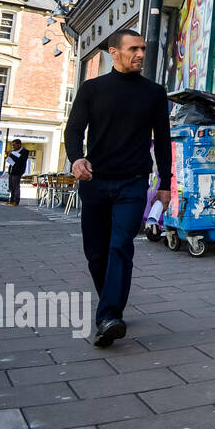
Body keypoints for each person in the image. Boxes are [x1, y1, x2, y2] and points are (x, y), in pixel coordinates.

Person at [64, 29, 172, 347]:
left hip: (133, 183)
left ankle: (108, 315)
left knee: (120, 245)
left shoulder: (154, 93)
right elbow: (73, 132)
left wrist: (165, 185)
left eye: (142, 49)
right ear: (115, 52)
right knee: (96, 254)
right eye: (133, 49)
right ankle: (112, 308)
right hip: (95, 182)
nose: (140, 54)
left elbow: (164, 143)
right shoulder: (92, 89)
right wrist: (76, 159)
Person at [6, 140, 29, 206]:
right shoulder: (14, 151)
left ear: (19, 145)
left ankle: (16, 201)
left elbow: (21, 160)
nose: (13, 147)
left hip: (17, 171)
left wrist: (12, 155)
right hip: (12, 170)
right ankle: (11, 200)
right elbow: (12, 160)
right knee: (11, 186)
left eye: (14, 145)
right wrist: (8, 156)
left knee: (16, 186)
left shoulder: (24, 152)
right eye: (12, 145)